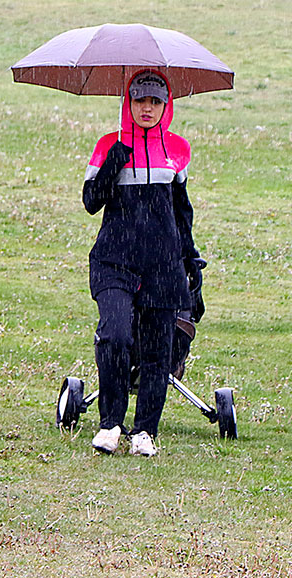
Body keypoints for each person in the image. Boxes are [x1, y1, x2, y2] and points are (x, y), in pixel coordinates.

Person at [83, 70, 201, 457]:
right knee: (115, 334)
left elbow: (182, 214)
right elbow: (91, 202)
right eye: (139, 100)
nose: (146, 108)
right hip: (114, 260)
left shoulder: (177, 150)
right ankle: (110, 424)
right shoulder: (108, 145)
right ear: (128, 103)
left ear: (165, 106)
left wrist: (190, 261)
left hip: (163, 265)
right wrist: (116, 160)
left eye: (154, 102)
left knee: (157, 352)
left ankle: (144, 431)